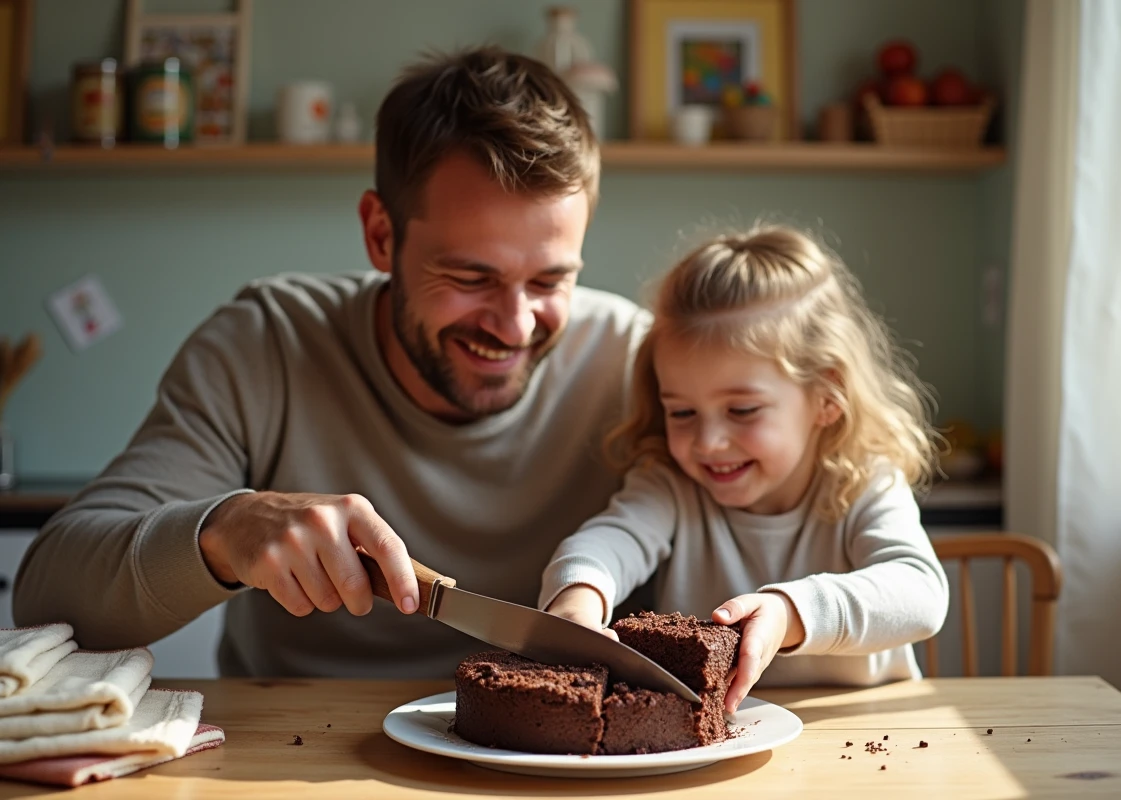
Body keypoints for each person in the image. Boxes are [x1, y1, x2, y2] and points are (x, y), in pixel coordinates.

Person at [13, 47, 650, 679]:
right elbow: (45, 598)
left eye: (548, 281)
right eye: (470, 276)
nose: (514, 324)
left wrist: (758, 601)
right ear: (380, 234)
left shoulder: (632, 361)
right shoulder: (266, 344)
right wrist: (224, 532)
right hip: (287, 756)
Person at [539, 225, 950, 712]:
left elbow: (921, 593)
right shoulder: (673, 485)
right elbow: (608, 542)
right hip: (720, 738)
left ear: (826, 396)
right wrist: (577, 599)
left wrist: (790, 613)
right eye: (682, 412)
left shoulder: (864, 482)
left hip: (866, 734)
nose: (709, 442)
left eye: (743, 411)